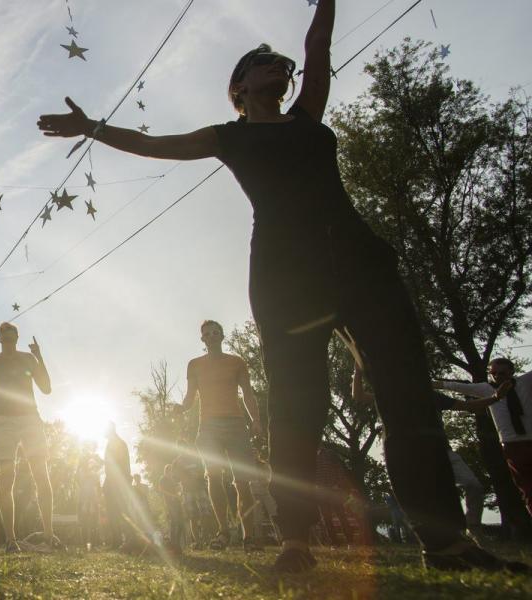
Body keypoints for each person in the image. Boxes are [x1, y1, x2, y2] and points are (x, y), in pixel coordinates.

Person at [36, 0, 524, 573]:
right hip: (285, 277)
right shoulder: (229, 136)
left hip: (362, 265)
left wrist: (326, 2)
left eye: (280, 62)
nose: (280, 66)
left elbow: (318, 48)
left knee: (408, 400)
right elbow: (155, 144)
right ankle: (295, 540)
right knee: (297, 404)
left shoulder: (308, 118)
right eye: (263, 62)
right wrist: (92, 127)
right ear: (239, 86)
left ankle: (446, 542)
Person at [354, 367, 489, 532]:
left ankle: (473, 527)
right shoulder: (392, 398)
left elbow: (467, 405)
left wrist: (496, 398)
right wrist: (358, 371)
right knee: (429, 496)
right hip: (413, 456)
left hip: (442, 451)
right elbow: (359, 396)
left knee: (473, 485)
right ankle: (439, 534)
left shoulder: (432, 396)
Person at [177, 320, 263, 550]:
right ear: (203, 339)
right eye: (207, 333)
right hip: (209, 427)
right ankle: (223, 532)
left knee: (242, 482)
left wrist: (256, 420)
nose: (212, 336)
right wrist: (181, 408)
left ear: (222, 336)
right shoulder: (194, 365)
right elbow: (190, 397)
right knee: (213, 477)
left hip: (236, 424)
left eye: (216, 332)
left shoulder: (237, 362)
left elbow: (248, 394)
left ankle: (249, 536)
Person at [0, 323, 56, 552]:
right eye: (4, 339)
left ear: (17, 338)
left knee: (42, 475)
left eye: (11, 338)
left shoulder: (28, 358)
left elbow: (47, 388)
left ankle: (49, 535)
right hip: (4, 421)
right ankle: (11, 540)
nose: (8, 343)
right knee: (6, 480)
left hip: (30, 418)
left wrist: (39, 356)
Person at [435, 358, 532, 518]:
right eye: (493, 373)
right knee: (527, 489)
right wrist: (428, 383)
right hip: (512, 446)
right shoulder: (486, 389)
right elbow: (456, 386)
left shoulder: (525, 382)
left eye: (502, 373)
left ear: (511, 372)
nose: (497, 376)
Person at [105, 423, 151, 552]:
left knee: (122, 512)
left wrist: (118, 482)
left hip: (118, 483)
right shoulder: (112, 443)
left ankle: (131, 540)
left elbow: (120, 466)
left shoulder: (118, 443)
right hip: (111, 482)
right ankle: (117, 541)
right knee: (113, 513)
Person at [74, 455, 102, 551]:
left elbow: (98, 485)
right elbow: (78, 481)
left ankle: (93, 545)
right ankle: (86, 544)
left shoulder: (95, 473)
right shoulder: (81, 471)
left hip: (92, 499)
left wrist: (98, 498)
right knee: (84, 522)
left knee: (94, 523)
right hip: (83, 499)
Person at [158, 463, 186, 556]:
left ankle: (178, 545)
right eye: (169, 470)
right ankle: (173, 545)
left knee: (180, 523)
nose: (171, 472)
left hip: (177, 502)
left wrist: (179, 493)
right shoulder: (163, 479)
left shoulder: (173, 480)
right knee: (174, 523)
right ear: (166, 470)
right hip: (170, 503)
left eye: (171, 470)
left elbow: (177, 489)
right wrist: (172, 495)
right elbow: (161, 489)